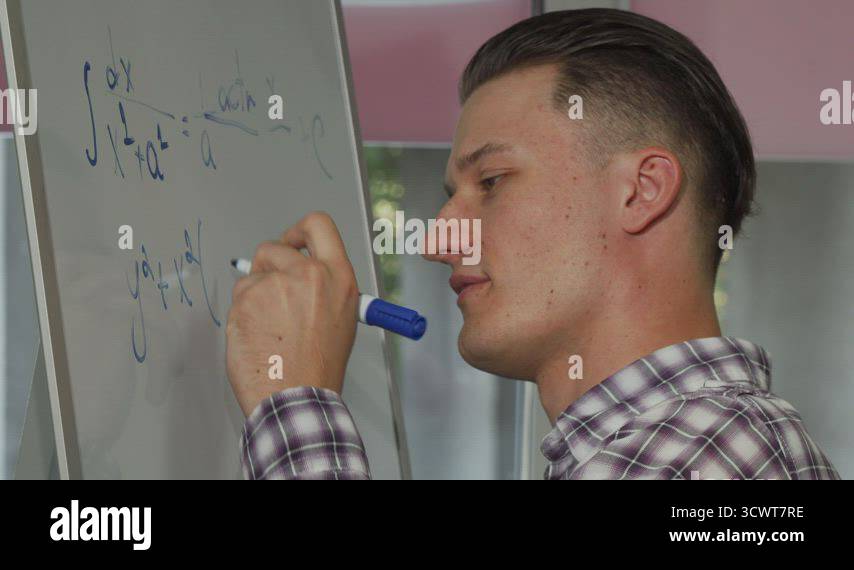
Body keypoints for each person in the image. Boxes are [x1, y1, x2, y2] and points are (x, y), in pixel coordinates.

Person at [226, 9, 839, 480]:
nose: (439, 239)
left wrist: (293, 399)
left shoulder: (693, 455)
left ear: (640, 192)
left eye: (491, 182)